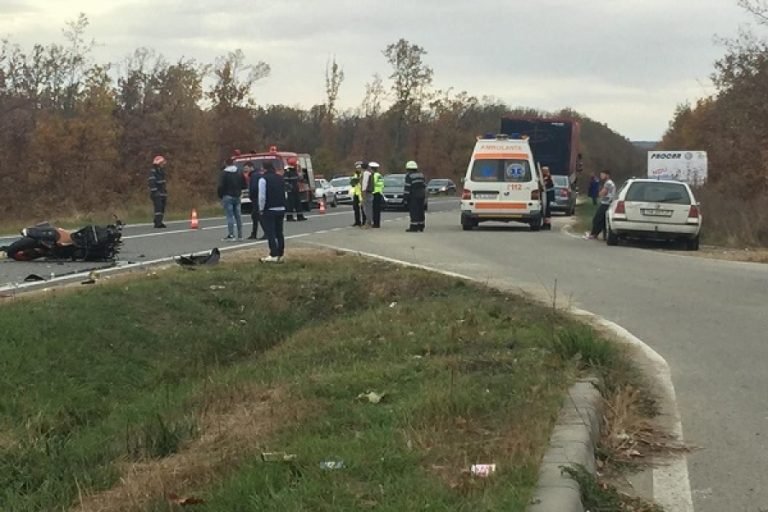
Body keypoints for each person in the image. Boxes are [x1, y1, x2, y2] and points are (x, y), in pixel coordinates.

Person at [258, 162, 286, 263]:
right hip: (281, 207)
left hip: (269, 208)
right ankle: (281, 253)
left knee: (270, 233)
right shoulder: (280, 178)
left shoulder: (263, 179)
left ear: (264, 169)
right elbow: (284, 192)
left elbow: (262, 196)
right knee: (279, 232)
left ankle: (273, 254)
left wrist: (261, 208)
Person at [218, 158, 246, 241]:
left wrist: (221, 195)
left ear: (226, 163)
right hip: (237, 195)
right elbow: (244, 184)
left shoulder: (224, 173)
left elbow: (221, 186)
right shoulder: (239, 172)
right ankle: (240, 235)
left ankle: (231, 235)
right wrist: (239, 190)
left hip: (227, 195)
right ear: (233, 163)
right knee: (238, 216)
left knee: (230, 216)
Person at [584, 170, 616, 240]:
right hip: (609, 203)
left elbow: (603, 193)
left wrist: (599, 193)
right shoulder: (610, 183)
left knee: (597, 219)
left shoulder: (608, 183)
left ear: (607, 175)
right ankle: (602, 235)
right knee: (603, 221)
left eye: (603, 174)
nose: (601, 176)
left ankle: (593, 234)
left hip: (606, 203)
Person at [404, 160, 426, 232]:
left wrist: (405, 198)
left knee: (414, 211)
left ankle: (413, 227)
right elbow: (424, 185)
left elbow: (407, 187)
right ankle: (421, 225)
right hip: (422, 195)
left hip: (413, 196)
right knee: (420, 211)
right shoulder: (421, 175)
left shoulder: (409, 176)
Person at [245, 162, 266, 240]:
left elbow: (254, 188)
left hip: (256, 198)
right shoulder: (257, 174)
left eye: (246, 168)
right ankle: (254, 233)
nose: (245, 170)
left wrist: (251, 195)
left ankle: (265, 232)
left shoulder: (254, 175)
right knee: (255, 216)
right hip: (256, 198)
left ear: (251, 167)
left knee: (258, 216)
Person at [148, 155, 168, 228]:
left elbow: (163, 183)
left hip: (162, 193)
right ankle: (157, 223)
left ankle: (159, 221)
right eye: (162, 163)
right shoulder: (153, 171)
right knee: (158, 208)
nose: (163, 164)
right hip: (157, 194)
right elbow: (151, 182)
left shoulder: (161, 171)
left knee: (162, 208)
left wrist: (165, 193)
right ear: (159, 163)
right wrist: (155, 192)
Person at [284, 157, 306, 222]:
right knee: (290, 204)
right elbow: (285, 181)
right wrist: (290, 187)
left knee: (298, 203)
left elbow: (299, 179)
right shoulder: (288, 171)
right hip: (290, 191)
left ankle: (300, 216)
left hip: (296, 189)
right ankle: (289, 217)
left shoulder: (294, 171)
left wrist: (300, 174)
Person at [360, 161, 374, 229]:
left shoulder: (366, 174)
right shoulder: (370, 173)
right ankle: (369, 222)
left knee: (366, 209)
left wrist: (363, 195)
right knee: (369, 208)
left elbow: (364, 185)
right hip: (369, 193)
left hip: (366, 193)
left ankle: (368, 223)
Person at [370, 161, 384, 228]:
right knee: (377, 210)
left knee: (375, 209)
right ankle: (377, 223)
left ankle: (375, 224)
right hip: (378, 193)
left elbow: (372, 184)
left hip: (374, 193)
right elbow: (382, 184)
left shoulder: (374, 176)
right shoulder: (379, 175)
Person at [542, 166, 555, 231]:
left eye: (544, 171)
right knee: (544, 210)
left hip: (548, 196)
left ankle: (547, 224)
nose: (543, 172)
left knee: (547, 211)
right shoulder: (544, 177)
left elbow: (549, 187)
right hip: (545, 196)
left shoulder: (549, 178)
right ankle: (545, 223)